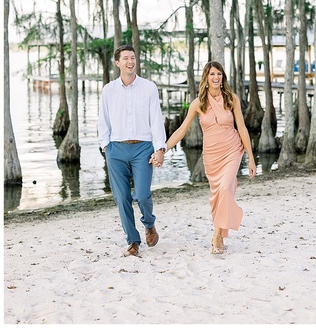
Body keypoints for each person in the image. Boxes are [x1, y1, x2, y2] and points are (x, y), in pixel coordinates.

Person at [160, 60, 256, 254]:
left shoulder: (232, 99)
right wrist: (164, 149)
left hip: (232, 150)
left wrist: (251, 158)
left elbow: (242, 128)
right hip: (211, 155)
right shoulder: (198, 103)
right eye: (212, 74)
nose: (216, 77)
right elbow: (181, 130)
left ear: (223, 78)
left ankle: (216, 235)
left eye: (219, 74)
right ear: (206, 77)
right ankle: (220, 233)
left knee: (225, 189)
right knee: (217, 196)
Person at [98, 44, 167, 257]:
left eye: (133, 57)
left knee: (143, 194)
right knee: (121, 198)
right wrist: (106, 145)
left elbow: (156, 119)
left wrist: (160, 148)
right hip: (116, 149)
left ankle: (149, 223)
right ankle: (133, 241)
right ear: (117, 62)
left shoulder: (149, 88)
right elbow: (103, 120)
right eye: (126, 58)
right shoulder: (108, 90)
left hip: (143, 149)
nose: (130, 61)